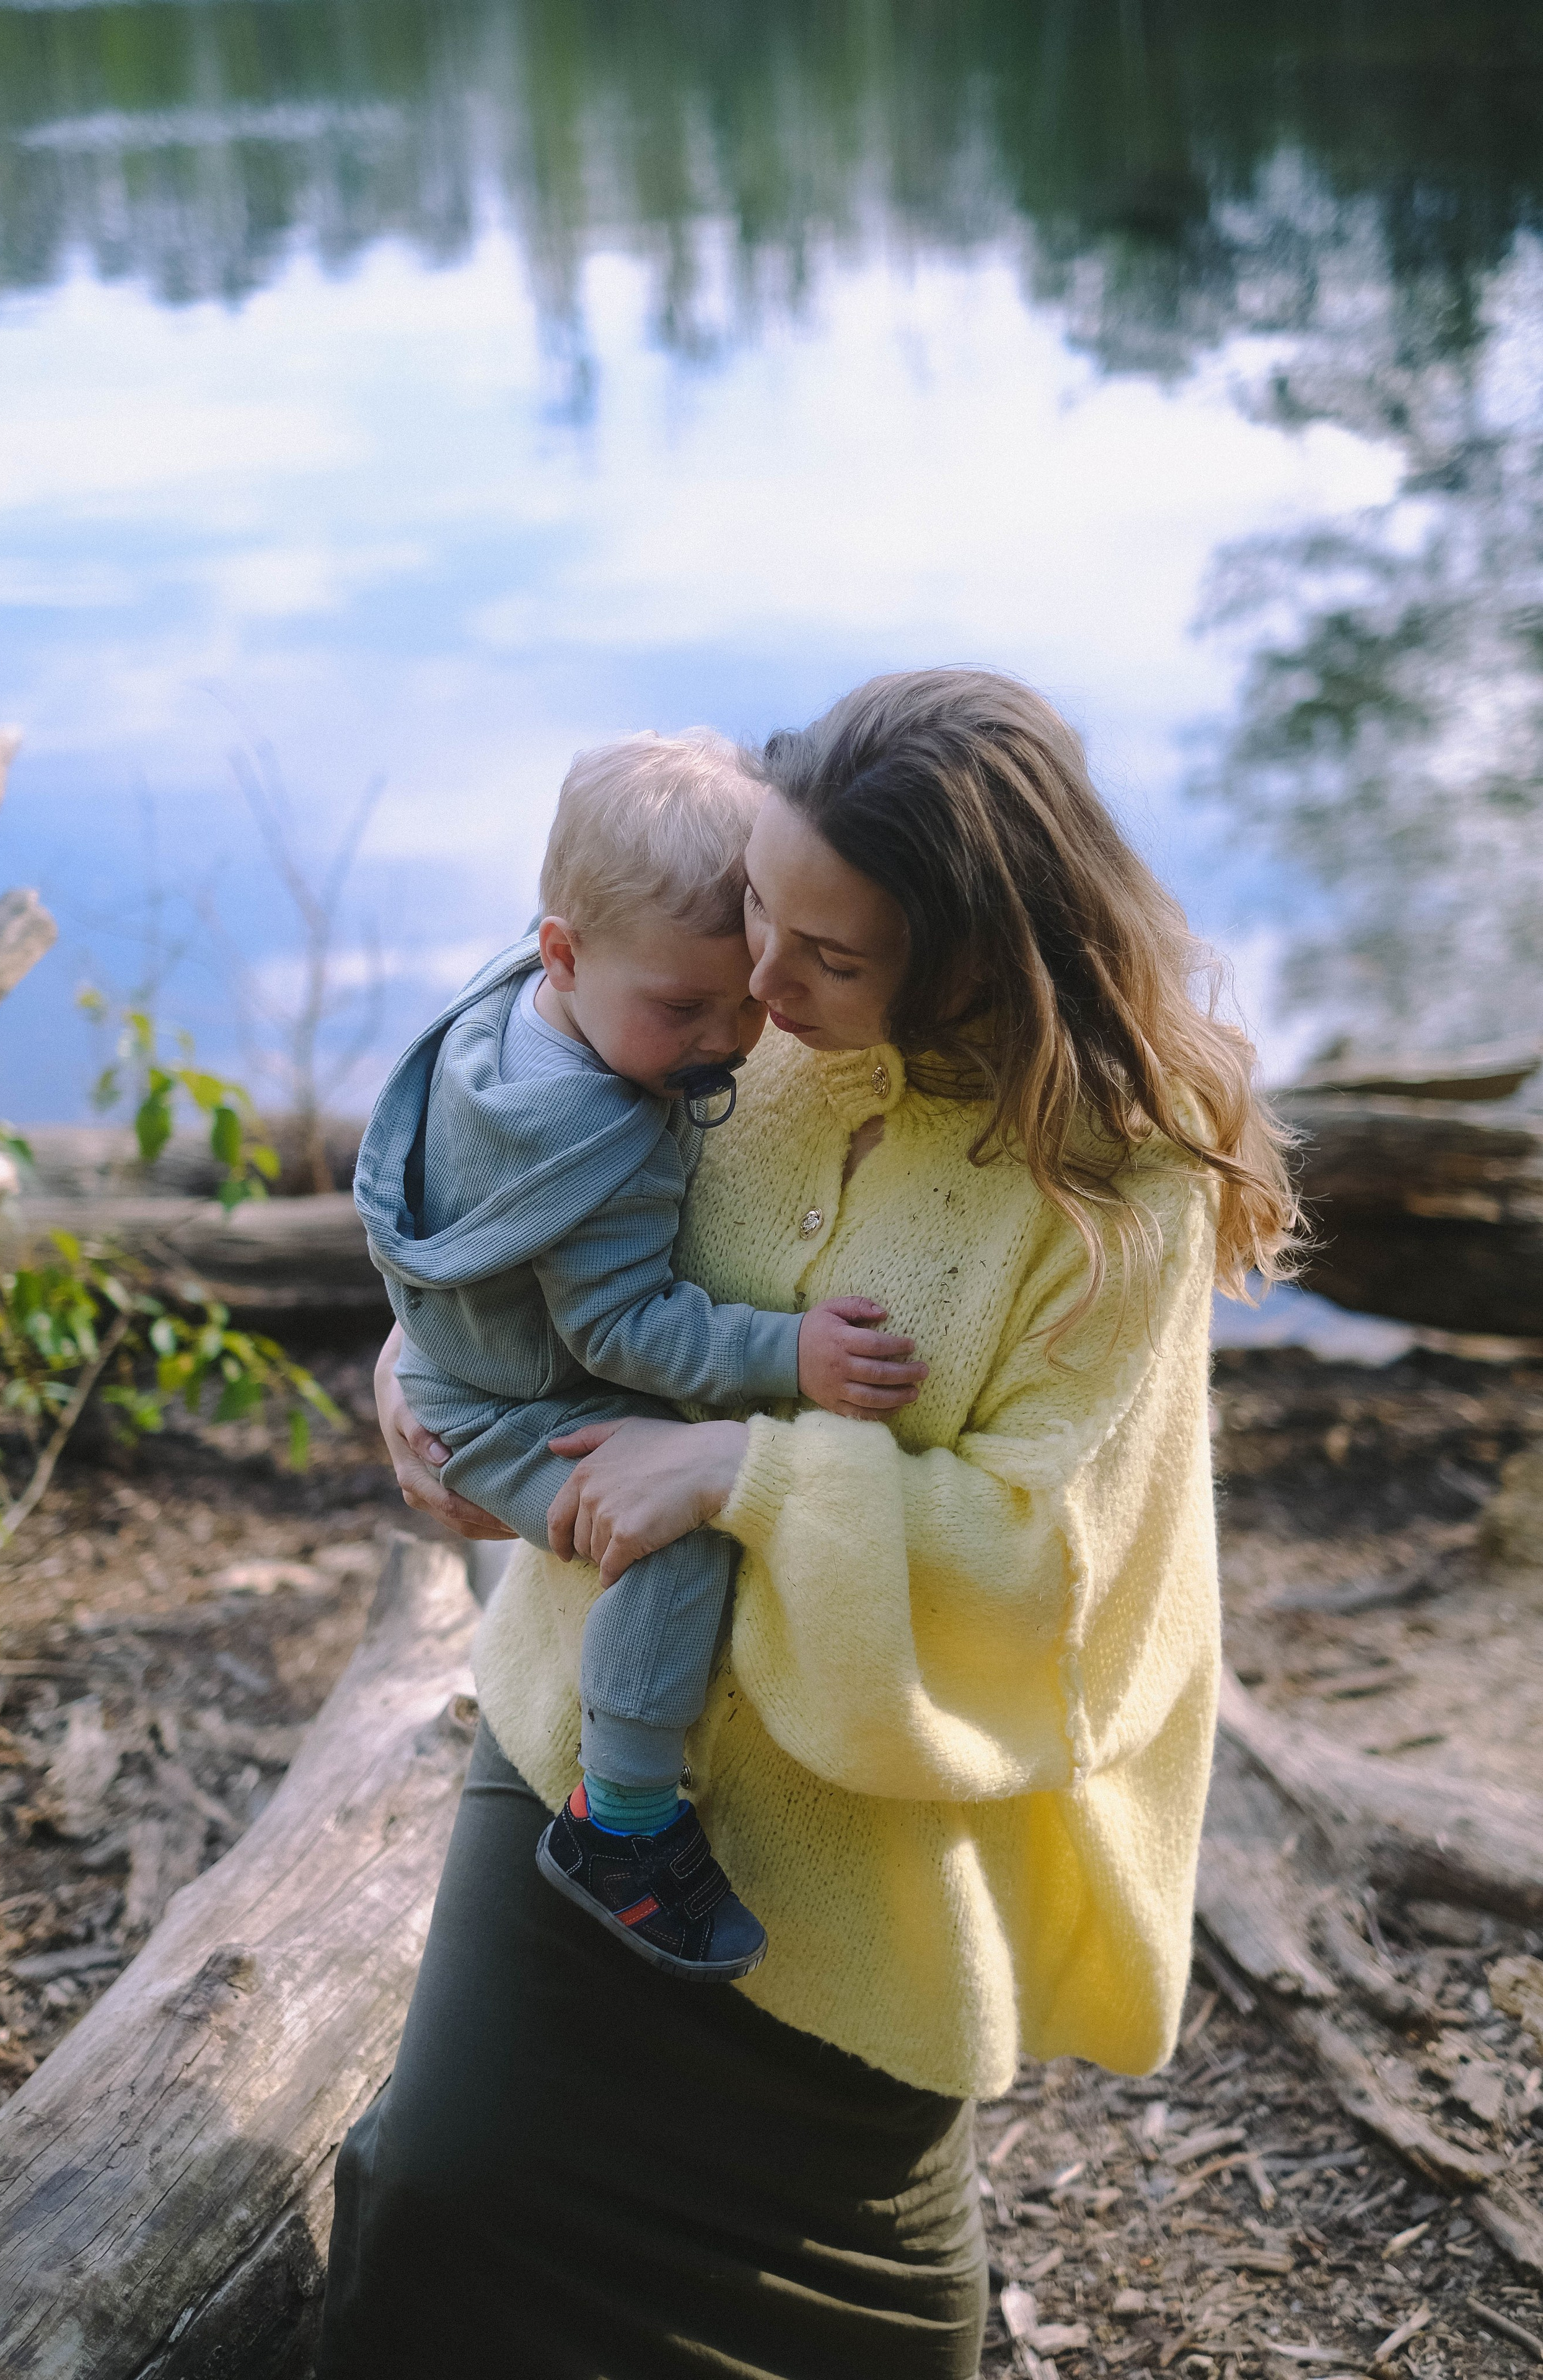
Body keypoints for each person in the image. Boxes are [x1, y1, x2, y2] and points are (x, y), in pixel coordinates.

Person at [317, 668, 1296, 2380]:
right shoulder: (723, 1012)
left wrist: (742, 1475)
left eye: (828, 958)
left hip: (864, 1851)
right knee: (434, 2194)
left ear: (979, 958)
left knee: (845, 2325)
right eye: (762, 912)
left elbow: (1050, 1563)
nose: (764, 990)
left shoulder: (1119, 1183)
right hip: (583, 1747)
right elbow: (523, 1198)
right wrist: (423, 1361)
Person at [352, 727, 926, 1981]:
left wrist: (413, 1331)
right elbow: (624, 1329)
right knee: (673, 1539)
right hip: (514, 1413)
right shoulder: (589, 1136)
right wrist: (792, 1358)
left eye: (748, 995)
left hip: (474, 1361)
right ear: (563, 945)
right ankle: (622, 1822)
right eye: (685, 1010)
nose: (728, 1038)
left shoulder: (517, 1005)